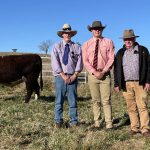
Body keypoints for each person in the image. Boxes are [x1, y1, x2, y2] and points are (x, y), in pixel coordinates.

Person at [114, 29, 150, 137]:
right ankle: (134, 128)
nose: (128, 41)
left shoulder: (143, 50)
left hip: (141, 83)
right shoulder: (120, 52)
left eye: (130, 39)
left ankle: (145, 129)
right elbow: (116, 69)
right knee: (131, 107)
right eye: (126, 39)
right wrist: (116, 84)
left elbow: (149, 67)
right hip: (126, 84)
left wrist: (148, 81)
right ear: (123, 40)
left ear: (134, 39)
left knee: (142, 106)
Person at [82, 20, 115, 130]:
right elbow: (85, 61)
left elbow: (111, 58)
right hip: (92, 75)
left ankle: (109, 123)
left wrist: (103, 71)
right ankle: (97, 122)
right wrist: (95, 72)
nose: (97, 30)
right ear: (91, 30)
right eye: (95, 28)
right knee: (95, 100)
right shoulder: (86, 44)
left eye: (99, 28)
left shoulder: (108, 42)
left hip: (105, 75)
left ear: (102, 30)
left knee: (106, 100)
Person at [51, 24, 83, 128]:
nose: (67, 35)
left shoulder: (77, 47)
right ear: (62, 34)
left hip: (73, 76)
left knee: (72, 100)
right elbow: (55, 62)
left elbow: (80, 62)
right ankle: (58, 121)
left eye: (69, 33)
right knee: (59, 99)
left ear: (71, 34)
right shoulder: (56, 46)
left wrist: (75, 75)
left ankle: (73, 121)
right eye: (65, 33)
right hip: (60, 77)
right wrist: (62, 75)